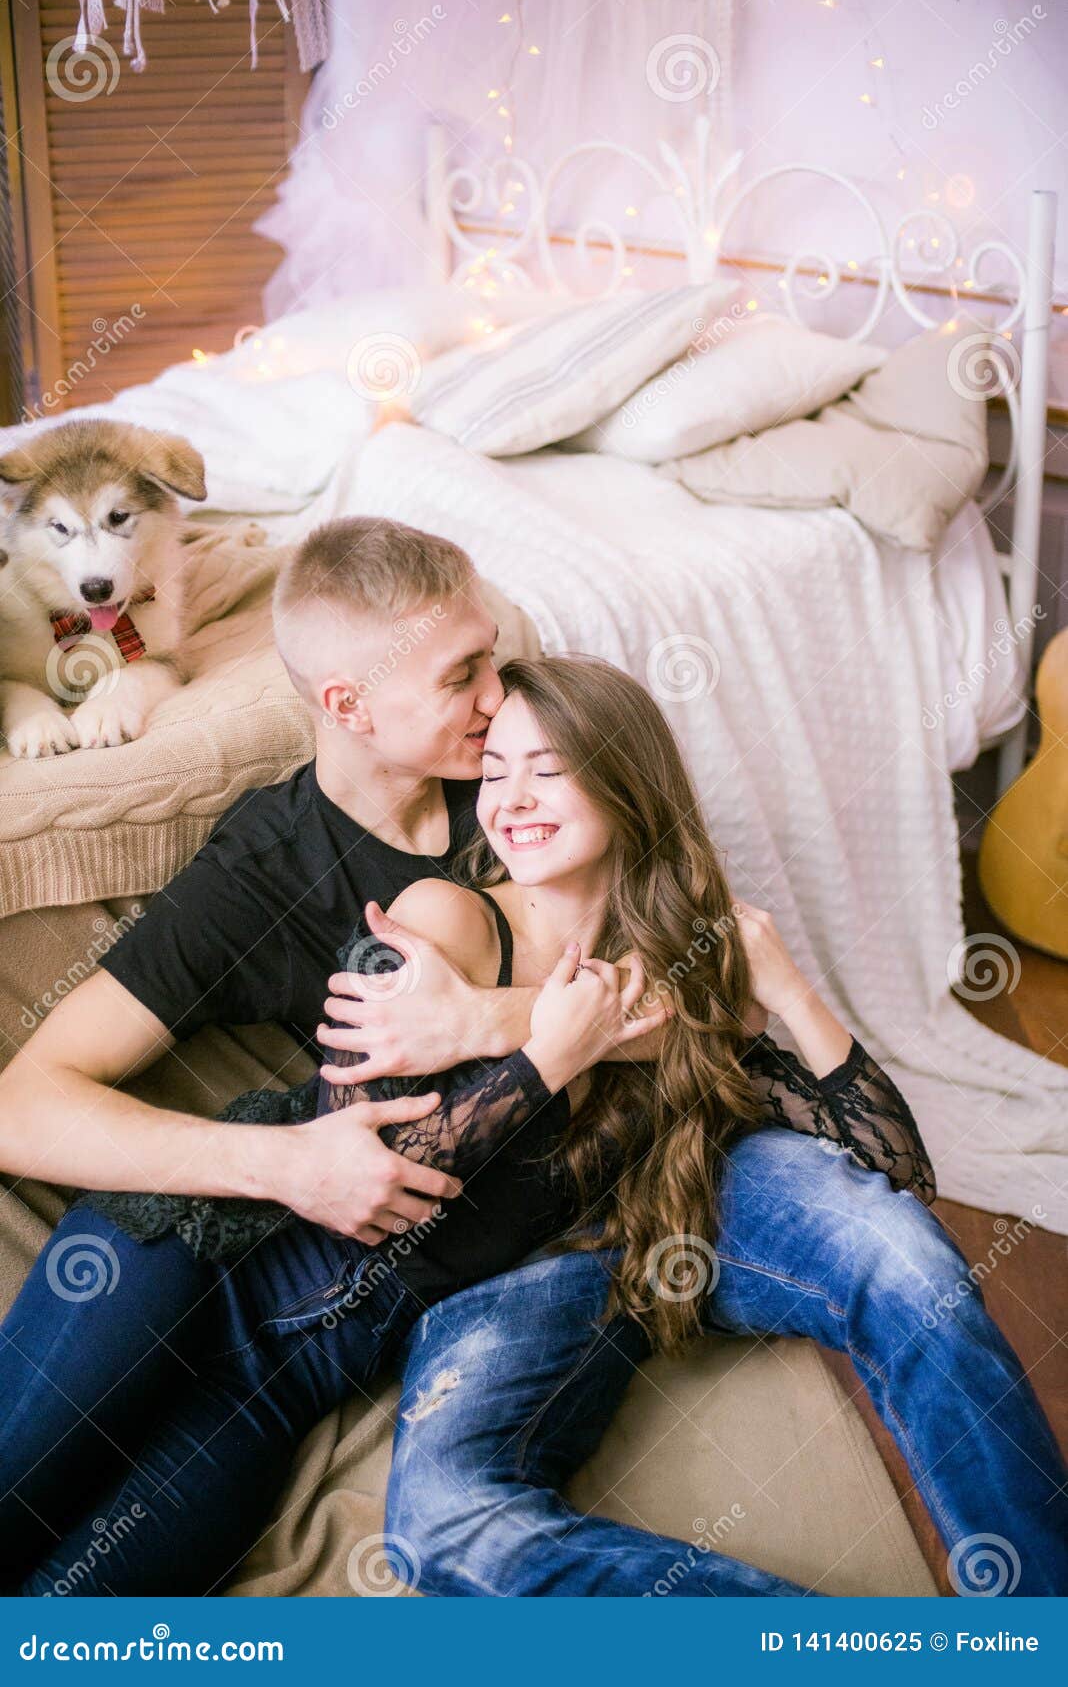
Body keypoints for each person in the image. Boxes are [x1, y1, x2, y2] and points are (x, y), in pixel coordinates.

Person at [0, 518, 1063, 1595]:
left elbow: (677, 953)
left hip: (317, 1359)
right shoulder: (270, 874)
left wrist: (490, 1025)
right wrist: (286, 1166)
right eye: (464, 674)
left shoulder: (517, 758)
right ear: (348, 707)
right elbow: (22, 1106)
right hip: (203, 1254)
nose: (494, 699)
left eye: (495, 658)